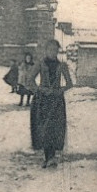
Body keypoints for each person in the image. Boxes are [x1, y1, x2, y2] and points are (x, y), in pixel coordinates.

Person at [30, 39, 73, 168]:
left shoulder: (62, 65)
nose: (52, 52)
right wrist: (40, 90)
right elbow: (30, 79)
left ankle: (52, 156)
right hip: (43, 101)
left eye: (55, 50)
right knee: (44, 128)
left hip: (57, 101)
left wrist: (60, 90)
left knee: (55, 128)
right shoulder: (40, 64)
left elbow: (69, 83)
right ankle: (48, 156)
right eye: (50, 49)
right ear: (46, 50)